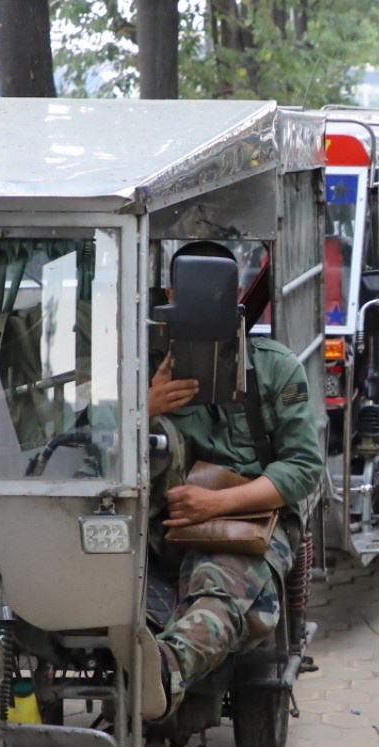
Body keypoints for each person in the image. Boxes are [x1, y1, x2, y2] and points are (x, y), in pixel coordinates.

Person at [135, 246, 327, 720]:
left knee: (216, 591)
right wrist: (143, 409)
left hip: (249, 519)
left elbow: (303, 467)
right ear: (171, 295)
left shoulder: (275, 367)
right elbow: (83, 442)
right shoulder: (144, 368)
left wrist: (216, 504)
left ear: (237, 294)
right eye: (187, 290)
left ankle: (163, 671)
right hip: (157, 518)